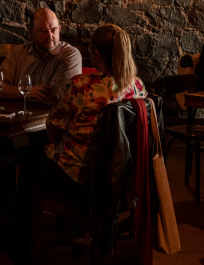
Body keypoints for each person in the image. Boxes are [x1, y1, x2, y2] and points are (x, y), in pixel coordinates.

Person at [11, 24, 147, 252]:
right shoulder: (138, 87)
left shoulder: (82, 86)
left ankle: (20, 242)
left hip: (82, 179)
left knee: (28, 163)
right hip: (121, 178)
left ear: (96, 55)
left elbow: (52, 128)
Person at [0, 8, 82, 229]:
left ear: (60, 29)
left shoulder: (69, 55)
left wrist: (14, 90)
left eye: (54, 30)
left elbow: (56, 95)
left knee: (18, 161)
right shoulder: (19, 53)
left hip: (51, 132)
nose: (50, 36)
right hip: (19, 127)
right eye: (43, 31)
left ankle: (15, 219)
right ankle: (9, 211)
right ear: (31, 31)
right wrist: (26, 91)